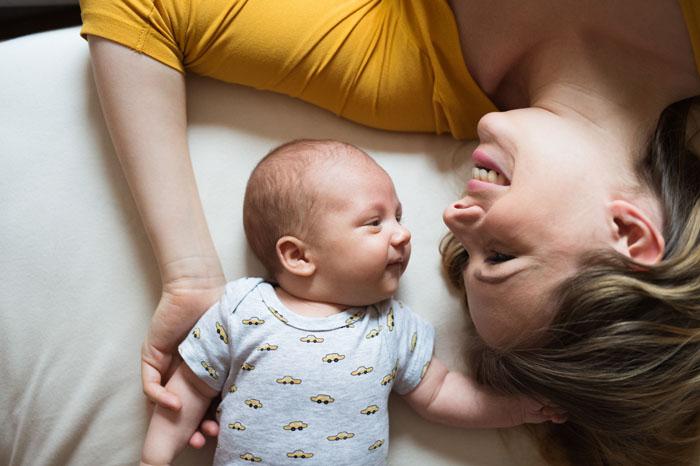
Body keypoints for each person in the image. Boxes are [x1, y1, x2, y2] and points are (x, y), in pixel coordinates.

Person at [80, 0, 700, 464]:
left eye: (470, 255)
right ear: (628, 233)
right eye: (502, 254)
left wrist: (190, 274)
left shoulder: (409, 66)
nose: (454, 217)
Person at [140, 139, 562, 466]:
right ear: (300, 256)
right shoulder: (242, 308)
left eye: (399, 217)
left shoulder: (391, 326)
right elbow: (190, 386)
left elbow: (440, 393)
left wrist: (517, 409)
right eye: (374, 223)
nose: (402, 234)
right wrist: (154, 457)